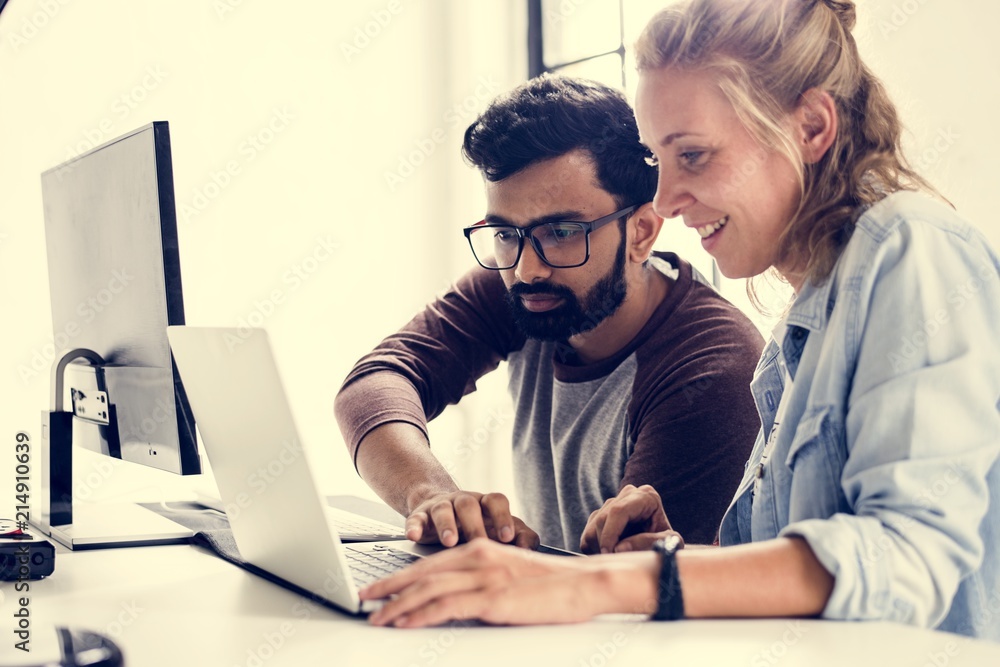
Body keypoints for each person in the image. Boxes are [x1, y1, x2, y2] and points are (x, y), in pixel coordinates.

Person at [359, 0, 1000, 641]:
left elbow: (906, 557)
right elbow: (807, 601)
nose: (664, 199)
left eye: (692, 155)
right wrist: (675, 551)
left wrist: (598, 582)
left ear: (810, 127)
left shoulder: (911, 249)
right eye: (658, 161)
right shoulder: (809, 314)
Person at [334, 75, 765, 552]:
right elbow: (375, 384)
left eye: (560, 231)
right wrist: (431, 495)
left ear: (641, 232)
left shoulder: (712, 370)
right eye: (503, 233)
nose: (526, 269)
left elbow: (637, 589)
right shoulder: (529, 281)